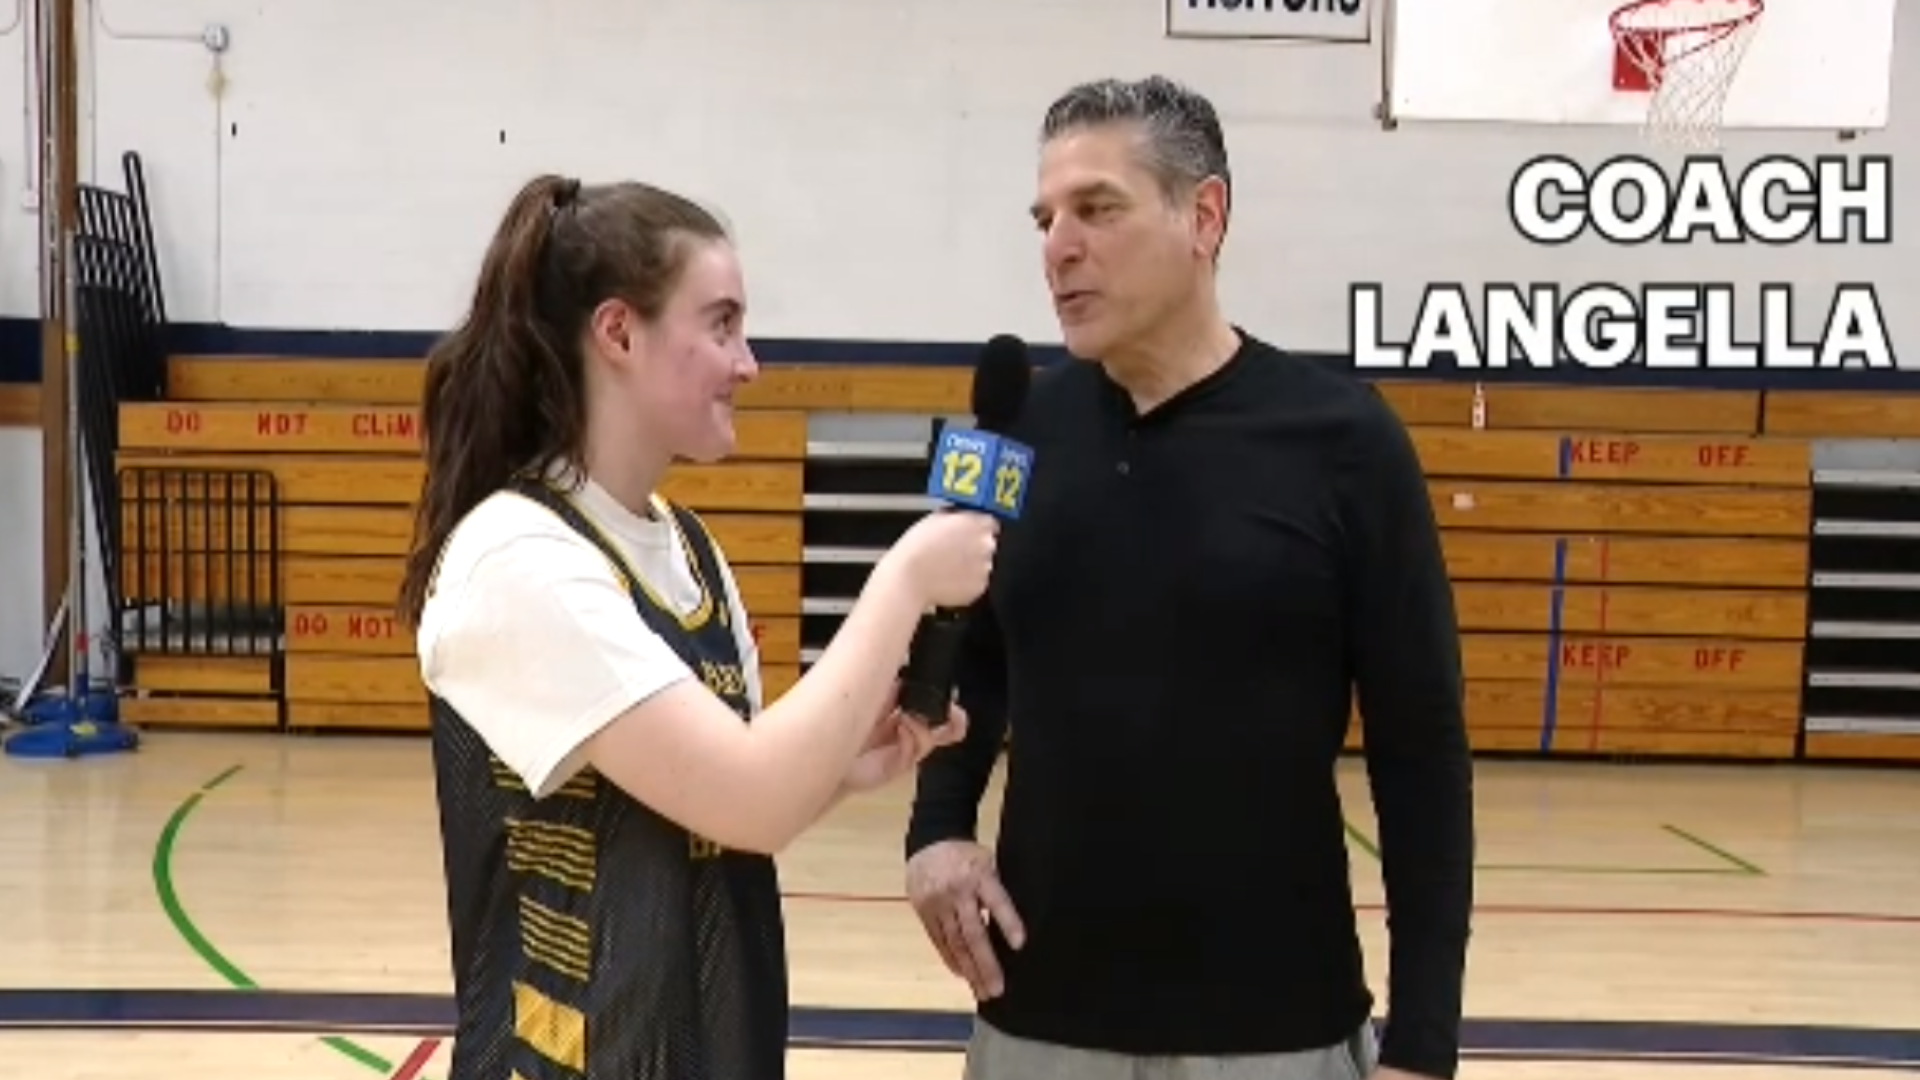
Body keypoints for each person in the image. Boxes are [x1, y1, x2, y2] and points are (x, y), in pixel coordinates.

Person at [903, 77, 1476, 1080]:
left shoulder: (1345, 442)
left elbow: (1420, 756)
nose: (1058, 245)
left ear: (1203, 215)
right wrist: (937, 829)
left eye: (1098, 208)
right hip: (1036, 1021)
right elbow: (973, 656)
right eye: (1045, 218)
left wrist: (1426, 1041)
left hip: (1277, 1031)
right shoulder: (1019, 428)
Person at [398, 173, 1000, 1080]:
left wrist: (841, 767)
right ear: (619, 332)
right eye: (720, 324)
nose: (748, 362)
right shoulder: (517, 556)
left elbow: (723, 814)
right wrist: (906, 576)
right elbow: (751, 791)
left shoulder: (689, 550)